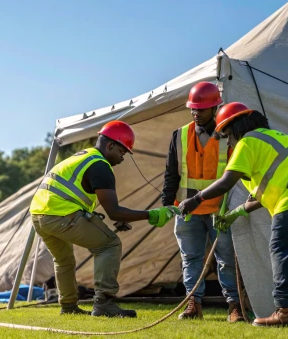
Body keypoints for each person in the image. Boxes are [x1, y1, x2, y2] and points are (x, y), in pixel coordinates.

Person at [178, 102, 288, 327]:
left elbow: (226, 182)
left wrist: (195, 199)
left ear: (237, 128)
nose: (229, 142)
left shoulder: (247, 142)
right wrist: (235, 213)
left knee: (280, 248)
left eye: (228, 135)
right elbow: (259, 197)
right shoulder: (274, 138)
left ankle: (286, 311)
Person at [30, 121, 180, 318]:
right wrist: (150, 215)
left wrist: (117, 216)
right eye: (122, 152)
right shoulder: (100, 166)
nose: (122, 158)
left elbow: (81, 197)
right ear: (110, 145)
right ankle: (104, 304)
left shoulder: (84, 156)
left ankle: (68, 307)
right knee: (109, 245)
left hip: (39, 216)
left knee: (64, 260)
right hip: (61, 215)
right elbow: (114, 212)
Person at [163, 82, 242, 322]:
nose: (196, 113)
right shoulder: (179, 135)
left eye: (201, 109)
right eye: (193, 109)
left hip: (220, 211)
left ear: (215, 108)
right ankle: (192, 304)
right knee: (190, 259)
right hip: (187, 210)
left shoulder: (228, 135)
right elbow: (171, 174)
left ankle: (234, 306)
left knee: (227, 259)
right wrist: (167, 204)